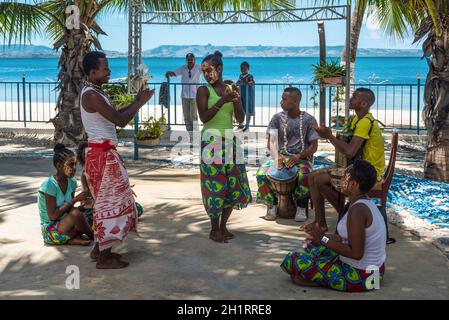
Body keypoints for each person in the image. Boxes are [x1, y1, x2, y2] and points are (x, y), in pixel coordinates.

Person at [80, 51, 153, 269]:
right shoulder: (91, 95)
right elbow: (120, 120)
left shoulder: (95, 92)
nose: (109, 71)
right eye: (105, 68)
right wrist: (139, 102)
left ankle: (99, 250)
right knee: (108, 204)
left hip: (104, 155)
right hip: (101, 157)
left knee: (112, 202)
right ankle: (104, 258)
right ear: (93, 72)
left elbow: (114, 115)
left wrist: (135, 101)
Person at [281, 160, 387, 292]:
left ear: (353, 184)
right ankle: (321, 276)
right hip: (374, 273)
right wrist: (320, 237)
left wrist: (323, 239)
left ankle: (321, 281)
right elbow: (345, 238)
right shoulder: (361, 202)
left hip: (363, 277)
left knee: (292, 260)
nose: (340, 180)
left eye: (344, 177)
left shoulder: (357, 211)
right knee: (310, 245)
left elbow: (356, 253)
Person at [308, 88, 385, 232]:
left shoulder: (365, 122)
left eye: (354, 97)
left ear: (363, 104)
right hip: (358, 168)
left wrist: (329, 136)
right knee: (312, 176)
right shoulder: (357, 119)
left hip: (367, 174)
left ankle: (346, 215)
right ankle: (321, 222)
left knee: (318, 180)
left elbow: (350, 151)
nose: (350, 99)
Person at [196, 51, 252, 243]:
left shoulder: (230, 88)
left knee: (232, 186)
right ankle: (214, 229)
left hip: (229, 141)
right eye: (203, 71)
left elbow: (241, 118)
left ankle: (223, 226)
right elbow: (204, 117)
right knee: (214, 186)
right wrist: (222, 100)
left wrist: (235, 99)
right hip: (211, 143)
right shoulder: (203, 91)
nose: (206, 74)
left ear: (219, 69)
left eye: (209, 70)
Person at [256, 87, 319, 222]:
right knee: (261, 174)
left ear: (295, 101)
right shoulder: (277, 118)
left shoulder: (309, 120)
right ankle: (271, 205)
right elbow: (271, 143)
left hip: (301, 158)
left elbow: (314, 146)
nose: (281, 102)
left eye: (284, 99)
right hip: (280, 157)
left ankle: (301, 206)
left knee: (305, 174)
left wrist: (299, 157)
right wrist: (277, 156)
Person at [38, 144, 93, 246]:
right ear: (59, 166)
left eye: (75, 164)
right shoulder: (50, 185)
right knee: (76, 215)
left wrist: (83, 207)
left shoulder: (72, 182)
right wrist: (75, 199)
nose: (74, 168)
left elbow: (69, 209)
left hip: (64, 223)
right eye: (71, 165)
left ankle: (71, 239)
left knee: (90, 213)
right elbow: (53, 216)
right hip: (51, 230)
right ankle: (93, 236)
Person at [166, 53, 202, 133]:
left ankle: (196, 133)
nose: (190, 61)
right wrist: (169, 73)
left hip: (195, 95)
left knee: (194, 116)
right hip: (184, 95)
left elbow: (207, 71)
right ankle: (189, 133)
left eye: (191, 60)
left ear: (194, 60)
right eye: (188, 60)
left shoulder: (198, 68)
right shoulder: (183, 68)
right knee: (186, 116)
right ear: (186, 60)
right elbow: (175, 74)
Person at [236, 62, 255, 131]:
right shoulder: (240, 76)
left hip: (248, 95)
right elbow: (237, 83)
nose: (243, 70)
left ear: (248, 69)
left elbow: (252, 83)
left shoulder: (250, 76)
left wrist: (245, 83)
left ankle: (247, 125)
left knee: (248, 109)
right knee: (241, 109)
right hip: (241, 94)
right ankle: (241, 124)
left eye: (244, 68)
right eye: (241, 68)